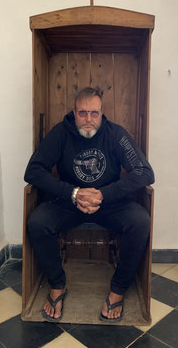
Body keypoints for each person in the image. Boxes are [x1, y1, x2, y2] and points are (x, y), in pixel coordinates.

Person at [24, 87, 154, 322]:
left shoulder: (115, 134)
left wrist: (104, 194)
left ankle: (118, 290)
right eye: (83, 113)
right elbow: (33, 171)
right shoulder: (61, 133)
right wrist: (72, 193)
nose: (88, 119)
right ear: (74, 112)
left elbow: (145, 172)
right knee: (37, 222)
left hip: (108, 201)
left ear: (102, 113)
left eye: (94, 113)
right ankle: (57, 285)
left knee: (140, 221)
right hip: (68, 201)